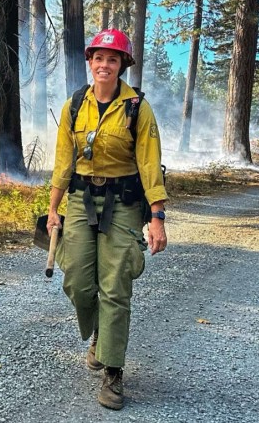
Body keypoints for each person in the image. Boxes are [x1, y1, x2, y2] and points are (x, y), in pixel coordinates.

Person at [46, 28, 168, 410]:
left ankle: (113, 372)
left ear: (122, 65)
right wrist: (53, 208)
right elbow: (63, 160)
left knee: (115, 287)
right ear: (90, 61)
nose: (104, 64)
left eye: (112, 59)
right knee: (79, 283)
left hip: (124, 204)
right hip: (82, 200)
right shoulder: (74, 105)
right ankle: (99, 333)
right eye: (99, 57)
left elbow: (150, 164)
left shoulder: (137, 108)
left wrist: (157, 216)